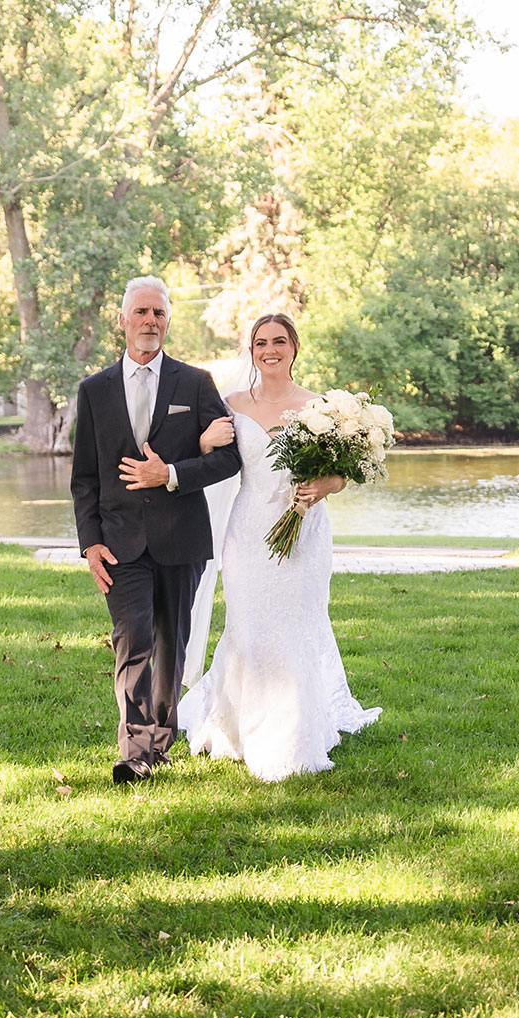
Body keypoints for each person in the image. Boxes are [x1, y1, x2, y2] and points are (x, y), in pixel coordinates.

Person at [178, 313, 382, 782]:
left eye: (279, 341)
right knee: (247, 627)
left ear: (294, 347)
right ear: (251, 351)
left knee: (298, 624)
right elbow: (201, 458)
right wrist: (204, 442)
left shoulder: (324, 408)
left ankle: (295, 728)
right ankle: (240, 726)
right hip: (248, 532)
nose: (270, 350)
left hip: (305, 534)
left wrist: (324, 486)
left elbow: (345, 472)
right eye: (260, 343)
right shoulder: (228, 404)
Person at [71, 276, 241, 784]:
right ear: (122, 320)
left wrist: (170, 473)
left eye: (158, 314)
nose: (150, 321)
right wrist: (90, 542)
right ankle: (135, 750)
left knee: (172, 643)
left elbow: (230, 458)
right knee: (133, 640)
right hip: (120, 541)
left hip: (180, 537)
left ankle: (160, 742)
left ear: (168, 321)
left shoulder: (195, 383)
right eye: (141, 312)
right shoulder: (93, 390)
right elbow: (84, 478)